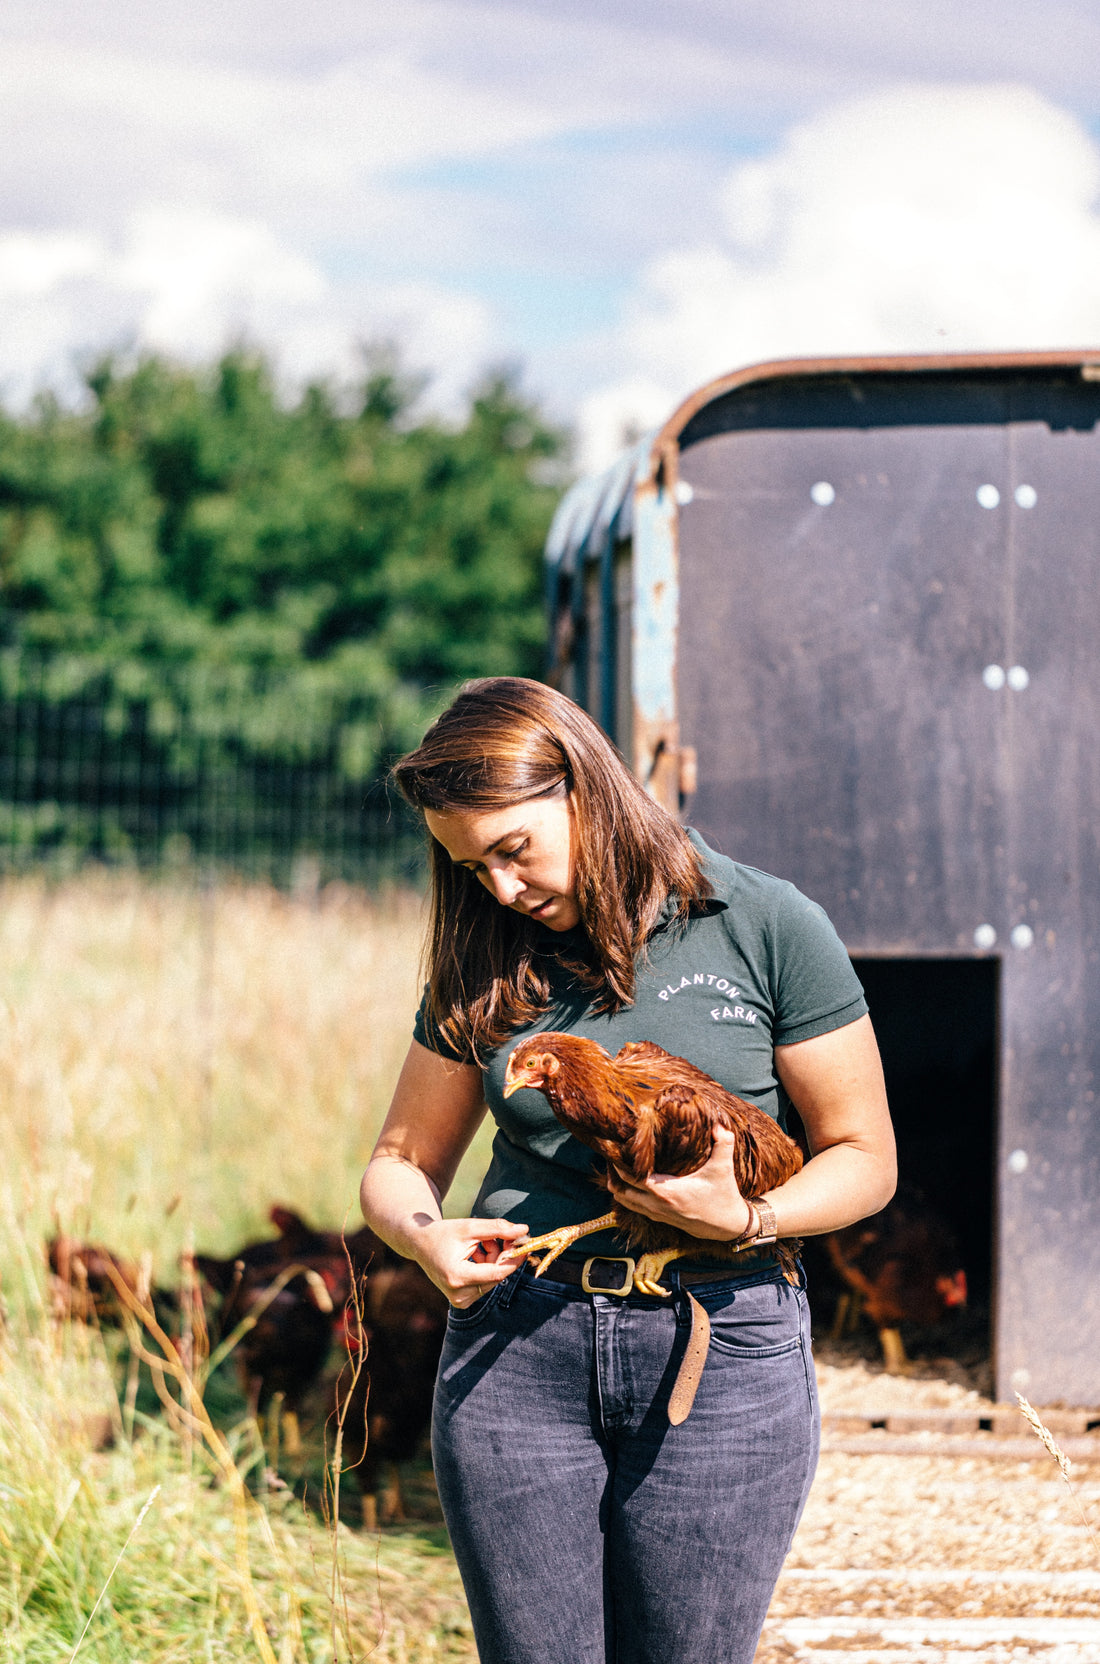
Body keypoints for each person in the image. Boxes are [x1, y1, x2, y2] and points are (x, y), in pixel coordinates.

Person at [360, 676, 895, 1664]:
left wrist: (745, 1219)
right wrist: (424, 1235)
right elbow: (400, 1159)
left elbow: (864, 1158)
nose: (501, 889)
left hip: (719, 1344)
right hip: (517, 1347)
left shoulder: (762, 921)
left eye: (512, 850)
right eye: (470, 867)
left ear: (583, 786)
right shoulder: (484, 952)